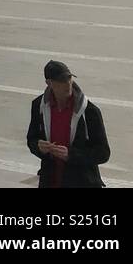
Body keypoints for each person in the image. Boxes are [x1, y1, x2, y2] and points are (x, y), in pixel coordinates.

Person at [26, 60, 109, 188]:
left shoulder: (89, 111)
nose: (67, 84)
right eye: (61, 80)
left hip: (82, 182)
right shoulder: (39, 106)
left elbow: (103, 153)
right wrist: (39, 147)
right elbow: (32, 139)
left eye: (69, 78)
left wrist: (71, 155)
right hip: (50, 180)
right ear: (49, 83)